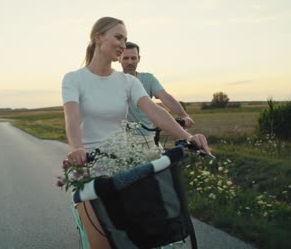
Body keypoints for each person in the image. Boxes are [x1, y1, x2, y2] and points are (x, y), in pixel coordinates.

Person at [62, 16, 211, 248]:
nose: (123, 44)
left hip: (123, 165)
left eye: (126, 39)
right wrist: (77, 149)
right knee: (100, 241)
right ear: (98, 38)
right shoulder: (74, 79)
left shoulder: (127, 82)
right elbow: (71, 118)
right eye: (118, 37)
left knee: (141, 237)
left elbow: (155, 111)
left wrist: (188, 137)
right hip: (88, 165)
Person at [120, 41, 195, 140]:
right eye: (126, 58)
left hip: (148, 136)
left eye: (133, 58)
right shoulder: (114, 80)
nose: (130, 62)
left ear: (139, 59)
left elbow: (165, 97)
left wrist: (184, 116)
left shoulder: (148, 78)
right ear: (119, 58)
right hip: (122, 139)